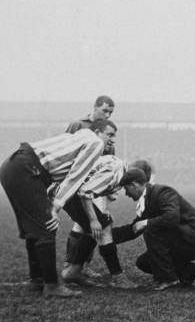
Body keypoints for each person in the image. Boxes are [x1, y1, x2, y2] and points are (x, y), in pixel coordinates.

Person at [0, 119, 116, 297]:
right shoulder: (95, 142)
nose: (112, 140)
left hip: (11, 166)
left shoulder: (81, 135)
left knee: (34, 228)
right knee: (47, 225)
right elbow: (75, 177)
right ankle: (52, 286)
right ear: (98, 131)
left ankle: (37, 280)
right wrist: (56, 206)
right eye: (110, 134)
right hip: (27, 168)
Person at [112, 168, 195, 291]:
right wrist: (106, 237)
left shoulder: (163, 192)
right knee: (144, 262)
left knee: (150, 230)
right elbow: (134, 229)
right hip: (181, 239)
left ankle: (169, 279)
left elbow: (172, 217)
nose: (127, 194)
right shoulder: (148, 199)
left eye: (126, 189)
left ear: (134, 185)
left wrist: (147, 222)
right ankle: (188, 272)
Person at [59, 154, 139, 289]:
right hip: (71, 193)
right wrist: (94, 219)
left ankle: (72, 270)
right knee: (103, 227)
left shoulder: (117, 165)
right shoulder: (116, 171)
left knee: (94, 227)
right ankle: (117, 277)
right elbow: (85, 192)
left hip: (68, 191)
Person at [64, 95, 116, 279]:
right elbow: (65, 148)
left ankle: (83, 265)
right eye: (105, 110)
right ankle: (71, 264)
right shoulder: (77, 125)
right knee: (87, 223)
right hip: (78, 183)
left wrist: (109, 188)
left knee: (95, 223)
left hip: (97, 185)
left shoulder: (108, 130)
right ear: (94, 107)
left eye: (111, 112)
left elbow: (110, 156)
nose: (108, 114)